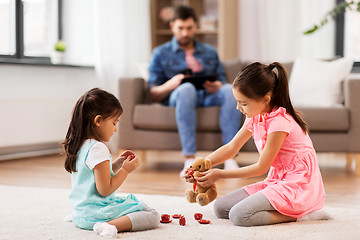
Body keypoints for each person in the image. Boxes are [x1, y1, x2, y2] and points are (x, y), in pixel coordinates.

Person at [187, 62, 330, 226]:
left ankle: (304, 213)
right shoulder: (255, 116)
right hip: (278, 179)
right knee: (221, 207)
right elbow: (231, 148)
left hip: (299, 184)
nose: (238, 107)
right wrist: (198, 167)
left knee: (240, 215)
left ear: (265, 99)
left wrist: (220, 174)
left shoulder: (279, 123)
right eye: (238, 101)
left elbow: (261, 168)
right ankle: (285, 208)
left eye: (244, 103)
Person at [148, 5, 242, 176]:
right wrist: (172, 83)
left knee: (229, 90)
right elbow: (153, 93)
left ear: (196, 26)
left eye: (189, 28)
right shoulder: (160, 53)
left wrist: (218, 85)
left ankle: (230, 158)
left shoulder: (209, 52)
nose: (185, 33)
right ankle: (190, 158)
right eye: (181, 28)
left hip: (207, 95)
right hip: (180, 95)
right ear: (172, 26)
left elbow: (221, 78)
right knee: (186, 89)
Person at [63, 88, 159, 238]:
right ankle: (108, 225)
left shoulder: (80, 145)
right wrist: (125, 170)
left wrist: (116, 164)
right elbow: (105, 189)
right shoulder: (98, 148)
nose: (115, 129)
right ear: (98, 120)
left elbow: (93, 175)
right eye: (114, 123)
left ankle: (80, 218)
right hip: (96, 214)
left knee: (136, 206)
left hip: (81, 212)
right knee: (151, 214)